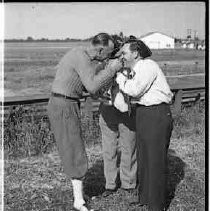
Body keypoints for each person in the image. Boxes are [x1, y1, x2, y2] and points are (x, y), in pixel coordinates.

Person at [47, 32, 123, 211]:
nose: (109, 57)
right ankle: (78, 201)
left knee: (73, 147)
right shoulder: (82, 58)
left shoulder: (80, 54)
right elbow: (93, 86)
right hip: (64, 105)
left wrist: (103, 85)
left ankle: (79, 195)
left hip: (64, 103)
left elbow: (91, 88)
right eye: (109, 53)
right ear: (101, 49)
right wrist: (112, 69)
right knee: (74, 149)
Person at [116, 40, 173, 211]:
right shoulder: (136, 69)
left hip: (156, 113)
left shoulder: (148, 65)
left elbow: (135, 90)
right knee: (144, 157)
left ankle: (157, 205)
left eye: (124, 53)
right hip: (143, 112)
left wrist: (119, 79)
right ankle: (145, 198)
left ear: (135, 53)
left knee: (155, 159)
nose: (122, 56)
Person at [97, 36, 137, 198]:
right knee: (110, 148)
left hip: (126, 109)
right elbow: (94, 87)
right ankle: (111, 184)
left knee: (128, 146)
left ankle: (127, 183)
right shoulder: (101, 66)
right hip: (108, 109)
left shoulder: (132, 66)